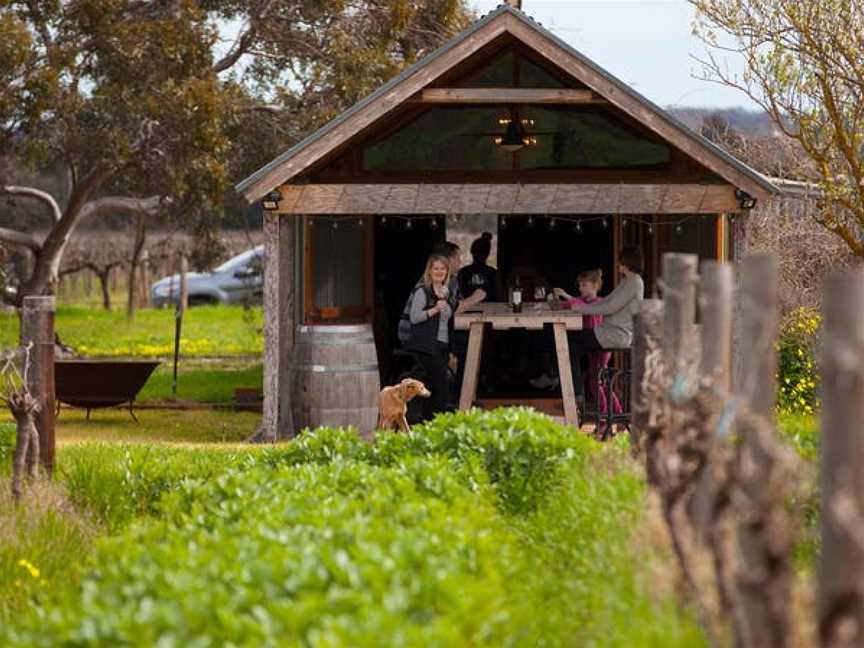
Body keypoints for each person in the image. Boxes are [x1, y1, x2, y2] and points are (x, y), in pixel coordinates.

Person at [553, 246, 645, 404]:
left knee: (568, 344)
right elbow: (608, 300)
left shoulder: (634, 282)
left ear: (627, 262)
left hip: (616, 334)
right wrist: (580, 306)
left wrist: (582, 308)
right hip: (608, 331)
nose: (618, 264)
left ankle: (576, 395)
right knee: (570, 344)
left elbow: (610, 307)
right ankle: (577, 394)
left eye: (620, 261)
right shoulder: (628, 281)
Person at [545, 268, 622, 415]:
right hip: (591, 345)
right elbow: (567, 305)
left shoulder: (599, 302)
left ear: (595, 286)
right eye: (580, 285)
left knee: (598, 383)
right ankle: (616, 413)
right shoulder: (582, 301)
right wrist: (553, 301)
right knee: (597, 383)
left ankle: (607, 415)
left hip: (600, 345)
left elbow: (580, 306)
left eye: (584, 285)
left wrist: (566, 295)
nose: (581, 288)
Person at [405, 254, 457, 421]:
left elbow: (448, 320)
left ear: (447, 272)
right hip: (427, 346)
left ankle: (428, 421)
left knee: (435, 385)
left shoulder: (447, 292)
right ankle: (434, 422)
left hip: (442, 345)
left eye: (443, 268)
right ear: (429, 271)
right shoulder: (423, 291)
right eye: (436, 268)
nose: (439, 271)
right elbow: (414, 317)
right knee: (441, 385)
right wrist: (434, 309)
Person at [457, 232, 499, 303]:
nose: (479, 255)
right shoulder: (492, 272)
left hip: (471, 309)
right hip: (485, 309)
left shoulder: (464, 272)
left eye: (481, 252)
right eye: (478, 252)